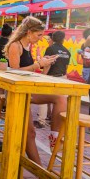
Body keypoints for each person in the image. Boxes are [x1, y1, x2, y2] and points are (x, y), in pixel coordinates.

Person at [6, 16, 64, 161]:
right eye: (39, 35)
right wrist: (38, 64)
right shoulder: (15, 45)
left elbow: (28, 71)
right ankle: (38, 171)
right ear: (29, 32)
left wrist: (45, 65)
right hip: (17, 92)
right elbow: (15, 72)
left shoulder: (27, 46)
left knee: (61, 97)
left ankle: (54, 138)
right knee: (29, 134)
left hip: (28, 90)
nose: (41, 38)